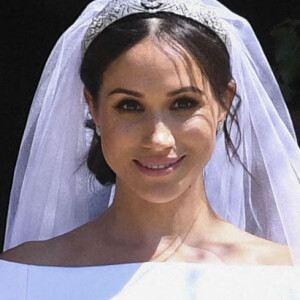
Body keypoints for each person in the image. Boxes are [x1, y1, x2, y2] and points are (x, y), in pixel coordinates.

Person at [0, 0, 300, 298]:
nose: (159, 139)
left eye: (184, 103)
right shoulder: (22, 276)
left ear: (224, 102)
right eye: (129, 106)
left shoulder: (287, 277)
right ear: (94, 107)